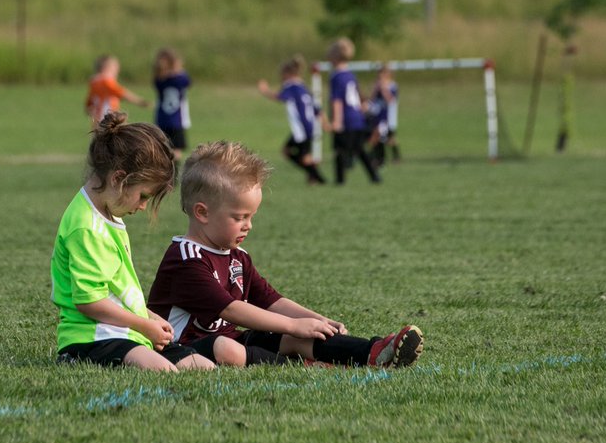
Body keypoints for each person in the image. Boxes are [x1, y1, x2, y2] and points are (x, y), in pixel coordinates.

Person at [147, 141, 423, 368]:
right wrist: (293, 324)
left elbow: (270, 300)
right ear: (202, 212)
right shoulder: (186, 258)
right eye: (240, 217)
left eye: (251, 216)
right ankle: (304, 364)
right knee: (228, 348)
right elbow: (231, 309)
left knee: (294, 336)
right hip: (183, 348)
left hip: (232, 339)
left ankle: (373, 352)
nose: (249, 225)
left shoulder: (237, 255)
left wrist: (316, 320)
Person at [51, 112, 215, 372]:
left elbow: (115, 291)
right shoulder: (86, 227)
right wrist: (143, 325)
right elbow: (89, 302)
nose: (142, 206)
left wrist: (149, 317)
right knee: (165, 371)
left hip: (125, 333)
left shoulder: (107, 211)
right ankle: (74, 357)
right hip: (93, 339)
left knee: (204, 368)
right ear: (119, 179)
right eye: (143, 196)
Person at [257, 55, 326, 185]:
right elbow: (316, 108)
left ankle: (318, 178)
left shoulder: (290, 86)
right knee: (302, 155)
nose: (281, 78)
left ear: (287, 74)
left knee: (291, 153)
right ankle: (313, 176)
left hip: (301, 128)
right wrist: (325, 122)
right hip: (310, 126)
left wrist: (265, 91)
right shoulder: (302, 86)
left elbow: (280, 97)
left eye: (282, 75)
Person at [326, 37, 380, 184]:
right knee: (359, 149)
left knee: (340, 150)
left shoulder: (336, 76)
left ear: (335, 56)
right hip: (357, 117)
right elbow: (358, 95)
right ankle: (375, 177)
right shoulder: (351, 74)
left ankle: (339, 180)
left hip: (346, 118)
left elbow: (337, 100)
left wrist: (336, 121)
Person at [86, 55, 149, 125]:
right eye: (115, 67)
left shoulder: (94, 82)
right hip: (107, 118)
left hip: (98, 118)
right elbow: (123, 93)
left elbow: (89, 103)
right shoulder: (106, 81)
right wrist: (141, 102)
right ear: (106, 68)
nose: (118, 70)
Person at [153, 48, 191, 162]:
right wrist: (177, 69)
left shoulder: (159, 80)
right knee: (176, 150)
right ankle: (174, 173)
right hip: (177, 120)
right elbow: (188, 81)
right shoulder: (179, 79)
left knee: (163, 148)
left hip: (161, 119)